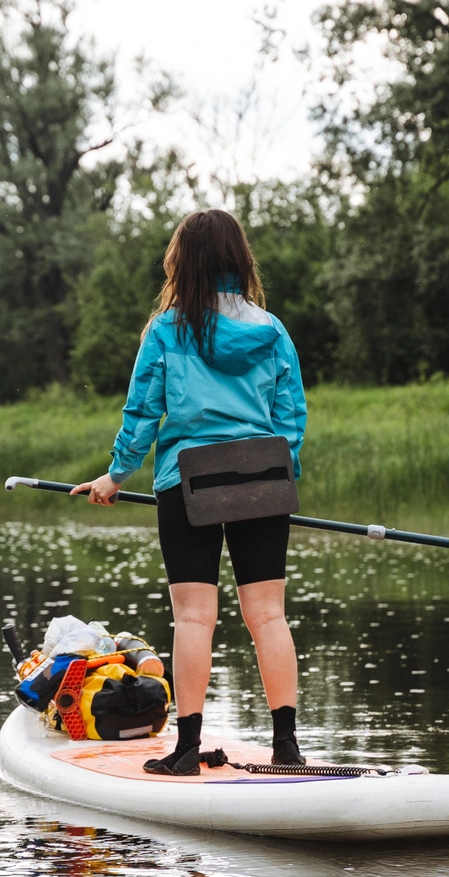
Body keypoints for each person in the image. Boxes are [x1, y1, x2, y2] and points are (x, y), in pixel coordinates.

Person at [71, 208, 307, 776]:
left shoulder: (167, 329)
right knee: (269, 616)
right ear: (238, 260)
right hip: (261, 481)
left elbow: (143, 411)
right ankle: (287, 748)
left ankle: (184, 750)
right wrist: (278, 474)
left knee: (195, 618)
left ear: (185, 263)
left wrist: (115, 476)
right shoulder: (271, 330)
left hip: (188, 481)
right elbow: (290, 418)